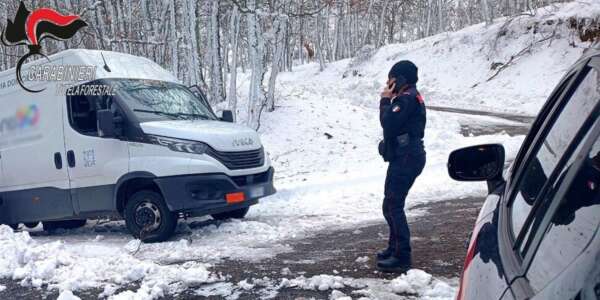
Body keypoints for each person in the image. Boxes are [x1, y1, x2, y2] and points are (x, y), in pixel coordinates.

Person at [377, 60, 426, 273]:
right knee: (389, 204)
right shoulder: (408, 97)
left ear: (401, 79)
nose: (388, 83)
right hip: (404, 155)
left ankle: (402, 256)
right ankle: (393, 247)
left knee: (394, 205)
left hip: (407, 157)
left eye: (391, 80)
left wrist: (385, 101)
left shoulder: (405, 99)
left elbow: (388, 123)